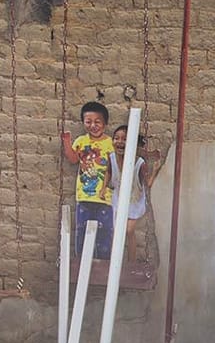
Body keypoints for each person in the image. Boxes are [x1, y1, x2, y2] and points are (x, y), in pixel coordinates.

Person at [61, 101, 115, 260]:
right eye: (88, 122)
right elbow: (72, 159)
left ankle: (104, 265)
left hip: (105, 198)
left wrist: (106, 187)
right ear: (83, 122)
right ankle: (81, 262)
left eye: (97, 122)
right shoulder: (81, 141)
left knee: (105, 232)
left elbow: (113, 169)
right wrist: (66, 141)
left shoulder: (110, 143)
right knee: (82, 230)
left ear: (105, 123)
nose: (93, 125)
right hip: (84, 197)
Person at [109, 125, 167, 265]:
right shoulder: (111, 158)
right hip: (118, 198)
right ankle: (114, 264)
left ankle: (131, 262)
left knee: (129, 231)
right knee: (116, 232)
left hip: (134, 201)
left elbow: (147, 183)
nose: (120, 142)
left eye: (124, 139)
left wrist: (155, 170)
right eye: (116, 138)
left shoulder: (140, 164)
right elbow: (109, 176)